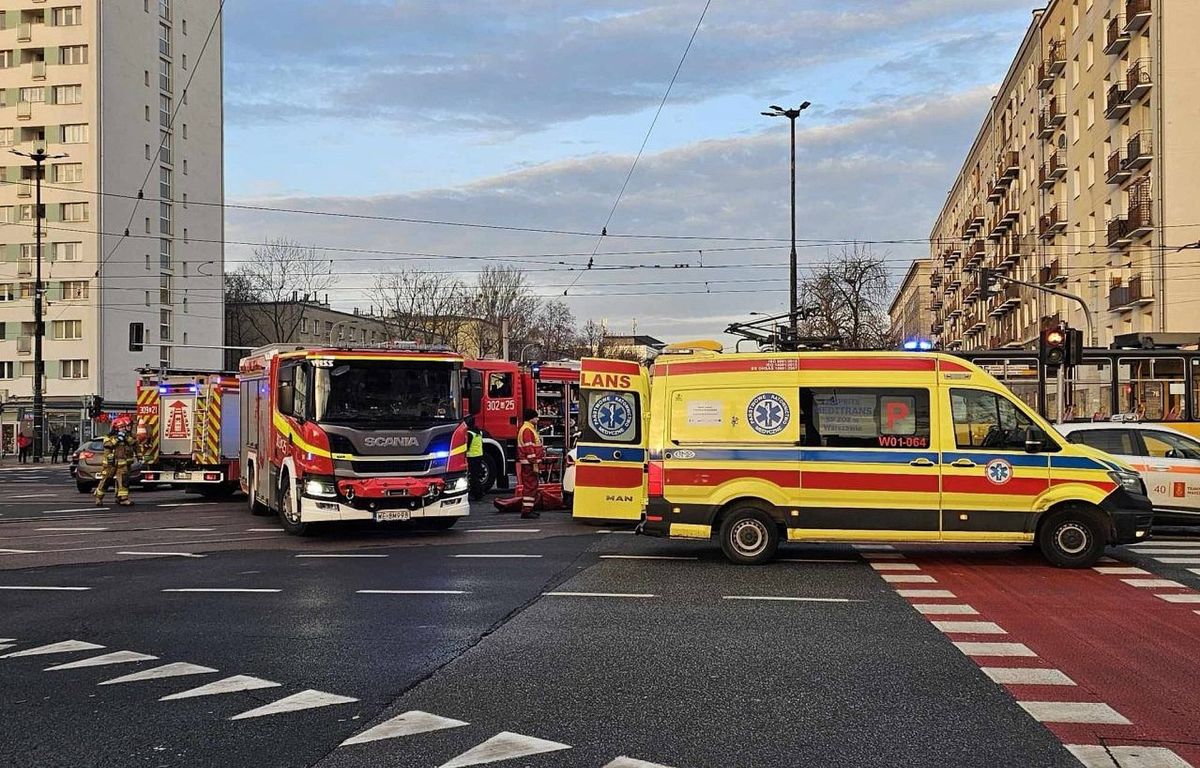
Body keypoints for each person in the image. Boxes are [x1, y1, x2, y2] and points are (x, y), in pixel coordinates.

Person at [94, 415, 140, 507]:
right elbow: (108, 445)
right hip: (110, 464)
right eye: (121, 427)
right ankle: (98, 498)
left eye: (124, 427)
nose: (123, 429)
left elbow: (133, 443)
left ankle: (123, 499)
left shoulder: (126, 438)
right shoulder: (109, 437)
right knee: (106, 481)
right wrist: (117, 439)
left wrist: (125, 437)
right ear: (116, 428)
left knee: (123, 481)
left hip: (122, 464)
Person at [515, 408, 544, 519]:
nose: (538, 419)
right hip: (529, 464)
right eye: (536, 417)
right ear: (531, 418)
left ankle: (529, 509)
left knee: (531, 486)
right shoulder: (527, 430)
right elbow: (529, 448)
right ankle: (527, 511)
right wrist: (534, 462)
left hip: (529, 463)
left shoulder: (527, 428)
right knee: (530, 487)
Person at [464, 416, 486, 502]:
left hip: (471, 456)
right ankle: (479, 492)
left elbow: (467, 446)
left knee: (473, 477)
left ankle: (477, 494)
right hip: (479, 455)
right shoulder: (478, 432)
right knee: (476, 476)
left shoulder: (469, 433)